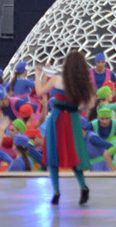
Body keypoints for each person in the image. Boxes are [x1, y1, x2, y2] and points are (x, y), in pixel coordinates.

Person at [39, 49, 96, 205]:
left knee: (54, 154)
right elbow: (89, 104)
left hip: (57, 119)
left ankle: (56, 191)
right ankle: (83, 186)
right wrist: (76, 108)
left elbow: (39, 91)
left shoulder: (57, 79)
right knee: (73, 155)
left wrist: (39, 74)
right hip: (73, 119)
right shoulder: (82, 83)